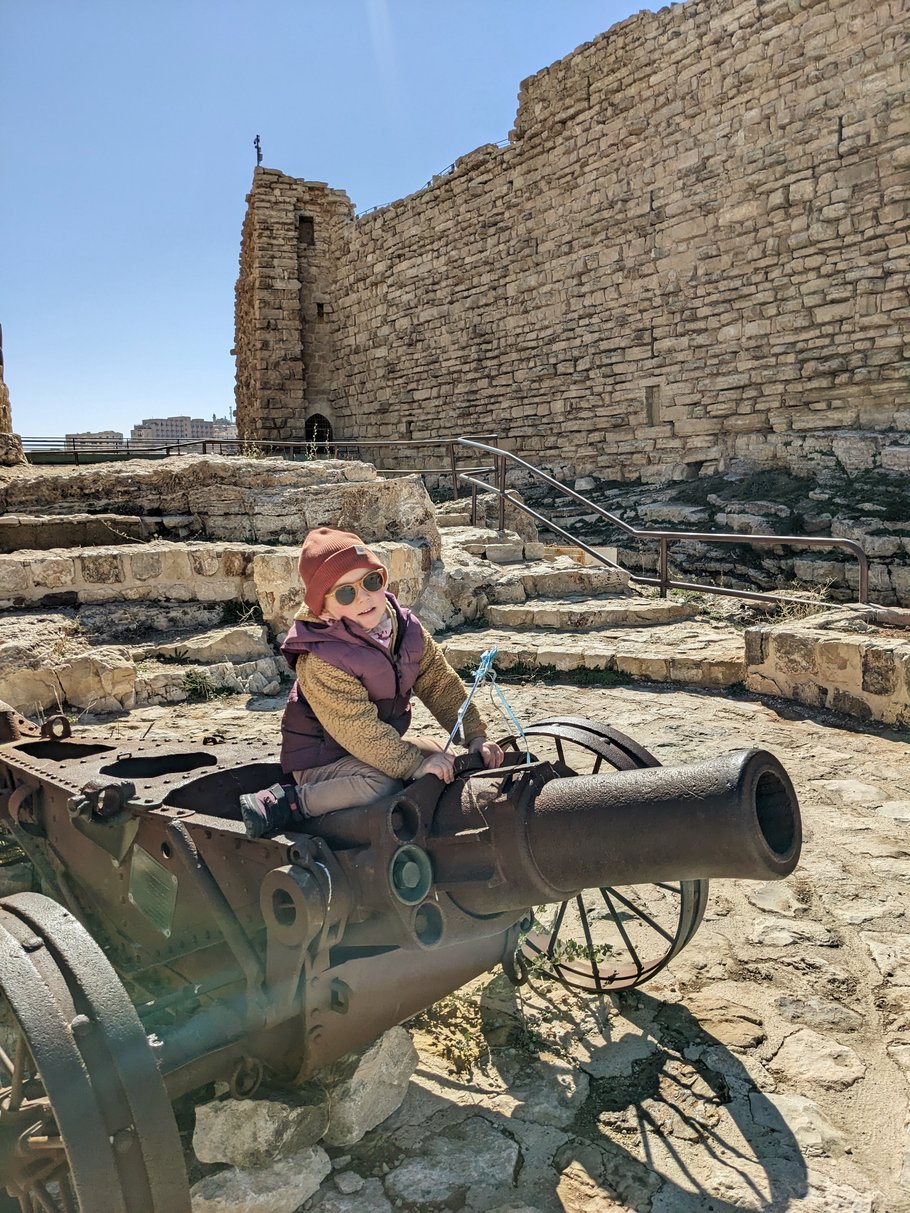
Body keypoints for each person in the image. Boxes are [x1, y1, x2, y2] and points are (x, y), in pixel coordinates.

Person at [240, 527, 504, 837]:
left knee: (437, 753)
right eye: (346, 592)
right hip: (322, 758)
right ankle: (291, 802)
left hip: (368, 746)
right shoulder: (322, 657)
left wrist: (473, 734)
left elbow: (439, 685)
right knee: (382, 784)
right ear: (323, 608)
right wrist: (411, 766)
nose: (364, 596)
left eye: (371, 581)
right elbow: (358, 728)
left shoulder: (404, 629)